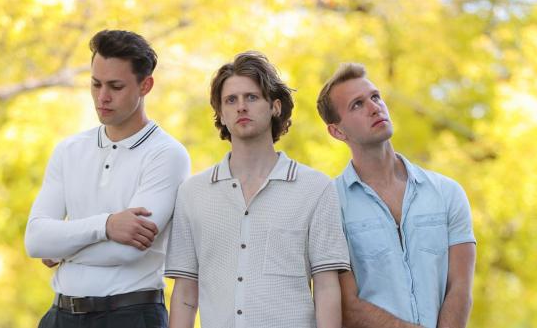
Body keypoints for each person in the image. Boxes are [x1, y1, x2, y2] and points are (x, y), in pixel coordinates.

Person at [165, 51, 350, 328]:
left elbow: (326, 288)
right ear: (222, 115)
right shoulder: (192, 193)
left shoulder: (316, 188)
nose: (241, 107)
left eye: (251, 97)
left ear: (275, 106)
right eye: (231, 100)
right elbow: (185, 295)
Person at [25, 29, 190, 328]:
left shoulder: (167, 155)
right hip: (58, 316)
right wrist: (107, 225)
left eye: (116, 86)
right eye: (96, 84)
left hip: (130, 316)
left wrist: (62, 245)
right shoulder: (68, 150)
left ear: (146, 85)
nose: (102, 97)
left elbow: (125, 250)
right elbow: (36, 241)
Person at [316, 63, 476, 328]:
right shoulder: (329, 203)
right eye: (357, 104)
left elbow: (459, 289)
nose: (374, 107)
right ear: (337, 131)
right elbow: (345, 304)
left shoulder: (447, 193)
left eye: (375, 97)